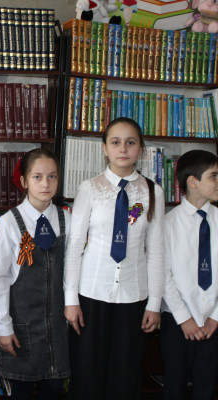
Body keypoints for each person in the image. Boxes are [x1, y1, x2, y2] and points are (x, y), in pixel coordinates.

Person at [64, 117, 165, 400]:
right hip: (91, 295)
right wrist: (70, 300)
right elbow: (75, 246)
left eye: (130, 142)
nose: (123, 149)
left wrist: (154, 303)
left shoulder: (152, 192)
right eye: (116, 142)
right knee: (87, 374)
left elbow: (156, 250)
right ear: (105, 148)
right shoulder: (89, 188)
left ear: (140, 149)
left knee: (125, 375)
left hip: (134, 297)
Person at [0, 148, 71, 400]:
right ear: (24, 181)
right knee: (22, 390)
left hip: (57, 326)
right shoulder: (10, 221)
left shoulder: (67, 218)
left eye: (52, 176)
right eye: (37, 177)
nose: (45, 184)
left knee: (54, 388)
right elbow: (1, 278)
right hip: (22, 325)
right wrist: (4, 326)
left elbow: (72, 270)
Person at [160, 150, 218, 400]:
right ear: (193, 182)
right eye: (213, 176)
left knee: (207, 387)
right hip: (177, 320)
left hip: (213, 321)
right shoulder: (168, 223)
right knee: (175, 386)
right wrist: (185, 319)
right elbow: (163, 275)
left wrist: (215, 317)